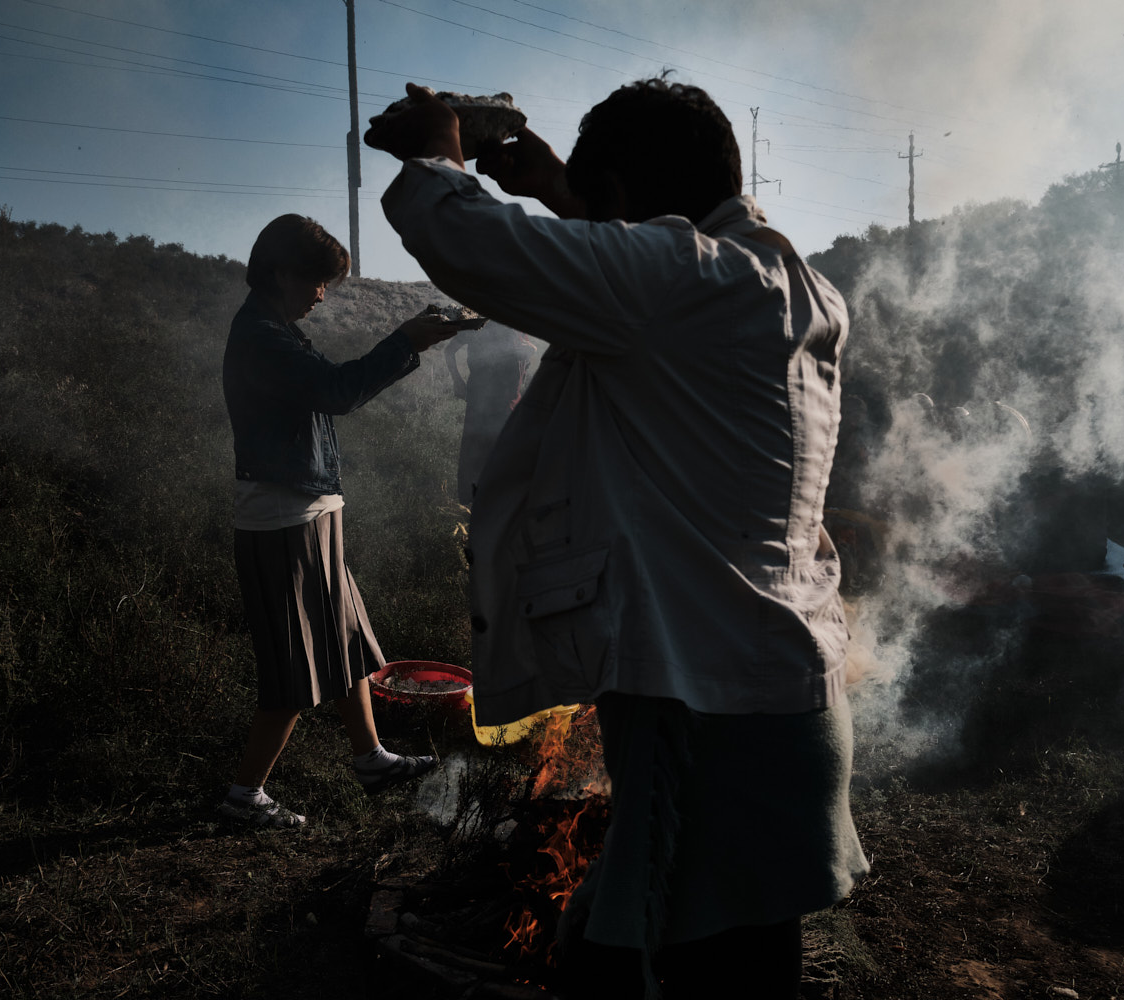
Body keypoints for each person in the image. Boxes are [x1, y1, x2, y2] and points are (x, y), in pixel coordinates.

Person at [369, 80, 868, 998]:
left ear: (630, 197)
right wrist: (576, 196)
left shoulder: (681, 282)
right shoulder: (783, 281)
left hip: (706, 716)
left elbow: (472, 241)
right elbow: (647, 264)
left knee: (636, 972)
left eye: (607, 209)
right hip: (774, 703)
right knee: (742, 967)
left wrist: (434, 151)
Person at [218, 214, 468, 828]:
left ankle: (371, 758)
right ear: (281, 273)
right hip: (283, 520)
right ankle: (243, 797)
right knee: (293, 667)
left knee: (347, 643)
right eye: (317, 280)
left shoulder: (277, 329)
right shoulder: (260, 336)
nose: (322, 294)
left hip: (310, 511)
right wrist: (408, 340)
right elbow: (337, 392)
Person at [442, 320, 537, 505]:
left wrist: (531, 349)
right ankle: (470, 507)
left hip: (509, 405)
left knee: (506, 458)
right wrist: (457, 381)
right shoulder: (479, 325)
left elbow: (526, 358)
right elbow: (449, 351)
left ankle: (500, 508)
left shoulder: (517, 328)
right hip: (480, 402)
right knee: (474, 454)